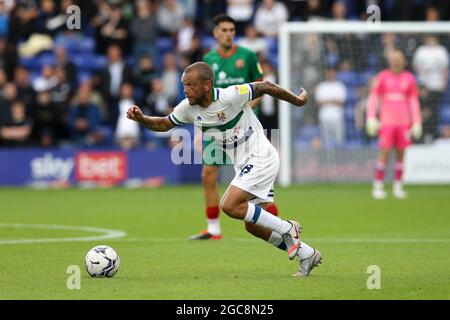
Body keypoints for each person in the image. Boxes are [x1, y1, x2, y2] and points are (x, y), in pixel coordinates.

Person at [127, 62, 322, 277]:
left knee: (229, 205)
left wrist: (298, 100)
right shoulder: (188, 108)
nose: (186, 90)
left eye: (191, 85)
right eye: (184, 85)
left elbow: (265, 86)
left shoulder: (230, 96)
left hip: (261, 155)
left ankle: (288, 228)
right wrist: (141, 118)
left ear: (207, 85)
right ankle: (307, 254)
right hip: (244, 164)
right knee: (253, 226)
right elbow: (164, 124)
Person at [194, 14, 279, 240]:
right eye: (224, 30)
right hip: (214, 129)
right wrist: (196, 132)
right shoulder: (208, 60)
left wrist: (241, 110)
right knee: (208, 174)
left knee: (262, 194)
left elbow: (262, 88)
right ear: (215, 33)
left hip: (247, 129)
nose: (228, 34)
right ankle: (213, 229)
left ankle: (279, 228)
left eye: (232, 30)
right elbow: (200, 102)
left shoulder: (248, 56)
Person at [366, 50, 422, 199]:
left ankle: (398, 187)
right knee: (384, 154)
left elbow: (413, 102)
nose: (396, 61)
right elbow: (374, 97)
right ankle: (378, 186)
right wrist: (371, 117)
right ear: (390, 61)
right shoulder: (382, 77)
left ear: (404, 61)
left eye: (399, 59)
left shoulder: (409, 79)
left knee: (401, 155)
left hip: (403, 124)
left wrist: (416, 121)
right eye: (393, 59)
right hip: (387, 123)